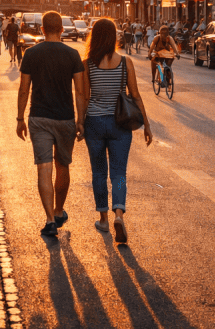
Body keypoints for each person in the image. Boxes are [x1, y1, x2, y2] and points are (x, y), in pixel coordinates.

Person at [76, 18, 152, 244]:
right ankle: (119, 214)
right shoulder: (125, 62)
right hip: (120, 124)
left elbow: (84, 96)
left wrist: (80, 122)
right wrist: (146, 125)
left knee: (98, 173)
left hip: (95, 123)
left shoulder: (87, 63)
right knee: (119, 173)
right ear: (114, 37)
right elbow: (135, 95)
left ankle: (103, 219)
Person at [16, 12, 86, 239]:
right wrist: (80, 120)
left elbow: (24, 89)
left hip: (39, 117)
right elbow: (80, 91)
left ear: (42, 29)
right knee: (62, 166)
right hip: (65, 118)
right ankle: (58, 211)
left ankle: (49, 220)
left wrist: (19, 118)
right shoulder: (73, 54)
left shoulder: (31, 53)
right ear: (62, 29)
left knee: (44, 168)